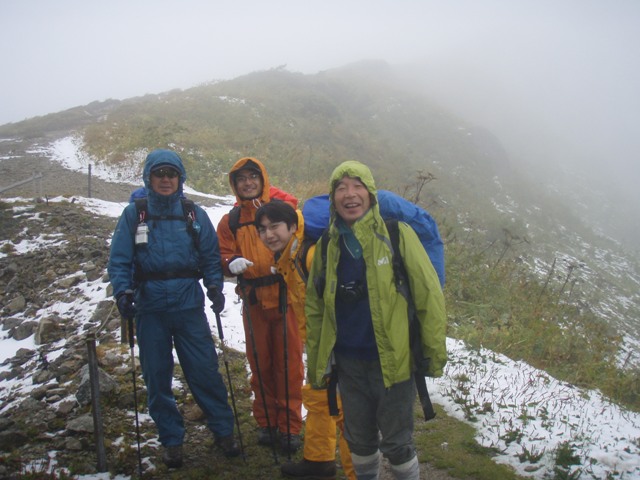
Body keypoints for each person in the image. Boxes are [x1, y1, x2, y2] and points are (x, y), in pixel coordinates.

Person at [305, 161, 447, 480]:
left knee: (397, 444)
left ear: (371, 195)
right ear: (333, 198)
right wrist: (318, 362)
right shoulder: (327, 246)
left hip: (394, 362)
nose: (350, 194)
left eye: (358, 186)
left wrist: (432, 352)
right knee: (358, 440)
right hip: (348, 364)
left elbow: (428, 296)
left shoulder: (397, 235)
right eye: (341, 188)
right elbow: (315, 309)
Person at [108, 149, 241, 469]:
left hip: (188, 305)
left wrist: (214, 286)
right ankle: (171, 440)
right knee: (157, 377)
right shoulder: (135, 214)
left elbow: (210, 256)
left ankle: (223, 431)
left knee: (205, 371)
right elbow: (120, 258)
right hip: (150, 307)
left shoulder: (193, 214)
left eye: (172, 174)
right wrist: (123, 292)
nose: (166, 179)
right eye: (160, 174)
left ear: (180, 178)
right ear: (149, 177)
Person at [255, 200, 355, 480]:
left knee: (346, 412)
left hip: (337, 343)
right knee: (318, 397)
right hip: (318, 342)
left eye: (274, 226)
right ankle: (319, 460)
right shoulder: (290, 255)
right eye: (262, 229)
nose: (268, 235)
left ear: (292, 226)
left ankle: (358, 474)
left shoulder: (308, 255)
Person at [216, 157, 304, 454]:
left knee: (289, 365)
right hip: (253, 301)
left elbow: (301, 239)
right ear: (235, 184)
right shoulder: (231, 221)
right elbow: (221, 254)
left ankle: (289, 427)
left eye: (253, 177)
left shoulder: (283, 209)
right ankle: (266, 422)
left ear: (262, 179)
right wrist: (230, 263)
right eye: (241, 179)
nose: (248, 183)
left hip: (285, 297)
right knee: (260, 364)